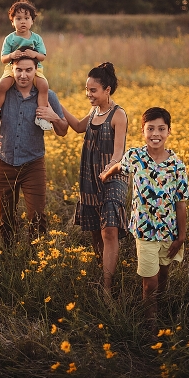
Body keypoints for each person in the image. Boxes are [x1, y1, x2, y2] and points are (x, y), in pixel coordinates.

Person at [0, 54, 68, 246]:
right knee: (6, 219)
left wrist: (54, 117)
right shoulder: (0, 90)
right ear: (11, 69)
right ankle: (10, 256)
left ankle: (35, 259)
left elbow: (63, 131)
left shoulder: (48, 95)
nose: (23, 75)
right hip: (4, 163)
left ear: (36, 70)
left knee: (37, 217)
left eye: (28, 70)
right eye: (19, 69)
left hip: (33, 164)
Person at [101, 107, 188, 330]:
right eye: (150, 129)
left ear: (169, 131)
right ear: (143, 131)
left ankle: (161, 303)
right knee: (149, 283)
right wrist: (108, 173)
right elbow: (121, 165)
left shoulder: (177, 166)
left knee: (164, 273)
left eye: (161, 129)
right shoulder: (135, 156)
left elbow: (181, 202)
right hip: (144, 231)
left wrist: (181, 236)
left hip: (169, 231)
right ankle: (151, 324)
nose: (155, 134)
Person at [61, 62, 129, 295]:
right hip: (90, 176)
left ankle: (107, 288)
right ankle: (104, 270)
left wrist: (109, 168)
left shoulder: (118, 114)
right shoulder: (94, 112)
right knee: (94, 230)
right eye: (87, 90)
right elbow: (79, 127)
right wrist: (57, 109)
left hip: (113, 177)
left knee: (109, 230)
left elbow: (118, 153)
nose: (88, 94)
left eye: (93, 90)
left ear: (107, 90)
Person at [0, 0, 53, 131]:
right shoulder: (10, 38)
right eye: (18, 18)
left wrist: (34, 55)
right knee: (2, 84)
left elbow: (42, 56)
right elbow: (3, 58)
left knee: (43, 85)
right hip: (13, 68)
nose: (23, 21)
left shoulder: (36, 38)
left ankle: (41, 117)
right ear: (12, 22)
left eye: (26, 18)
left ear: (32, 21)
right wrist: (11, 56)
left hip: (34, 69)